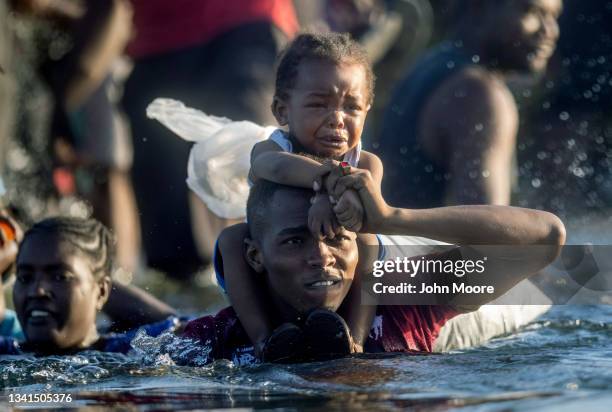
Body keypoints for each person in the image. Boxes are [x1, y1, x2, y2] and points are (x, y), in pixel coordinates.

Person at [180, 176, 565, 365]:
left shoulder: (405, 302)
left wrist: (391, 218)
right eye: (295, 242)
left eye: (336, 238)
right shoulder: (222, 337)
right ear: (255, 257)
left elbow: (546, 236)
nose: (321, 256)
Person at [214, 32, 384, 361]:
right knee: (232, 239)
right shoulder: (271, 148)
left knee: (370, 241)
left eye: (352, 107)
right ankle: (264, 339)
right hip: (273, 261)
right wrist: (326, 183)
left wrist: (331, 196)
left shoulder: (366, 163)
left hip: (341, 267)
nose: (337, 119)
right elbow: (273, 168)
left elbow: (364, 208)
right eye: (319, 104)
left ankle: (355, 337)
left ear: (368, 111)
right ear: (282, 110)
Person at [122, 0, 299, 278]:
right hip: (158, 40)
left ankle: (273, 276)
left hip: (245, 22)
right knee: (167, 215)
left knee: (253, 162)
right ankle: (186, 292)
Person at [373, 0, 562, 208]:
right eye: (531, 11)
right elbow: (488, 230)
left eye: (554, 16)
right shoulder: (478, 94)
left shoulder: (429, 64)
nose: (550, 30)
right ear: (479, 7)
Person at [1, 216, 179, 355]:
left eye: (60, 277)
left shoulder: (132, 351)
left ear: (102, 291)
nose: (37, 291)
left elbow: (193, 328)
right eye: (25, 277)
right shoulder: (7, 353)